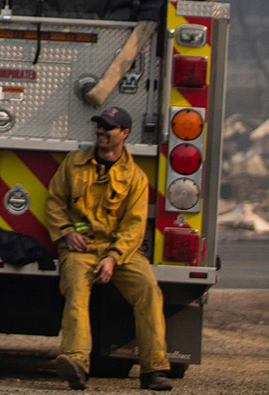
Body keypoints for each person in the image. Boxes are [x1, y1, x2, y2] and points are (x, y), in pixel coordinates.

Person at [47, 106, 174, 391]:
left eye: (109, 127)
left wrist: (114, 258)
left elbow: (134, 226)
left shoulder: (136, 178)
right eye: (100, 125)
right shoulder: (73, 163)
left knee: (149, 291)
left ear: (125, 134)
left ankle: (154, 370)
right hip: (81, 248)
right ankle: (76, 364)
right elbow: (54, 202)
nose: (101, 131)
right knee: (77, 292)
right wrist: (67, 233)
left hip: (119, 252)